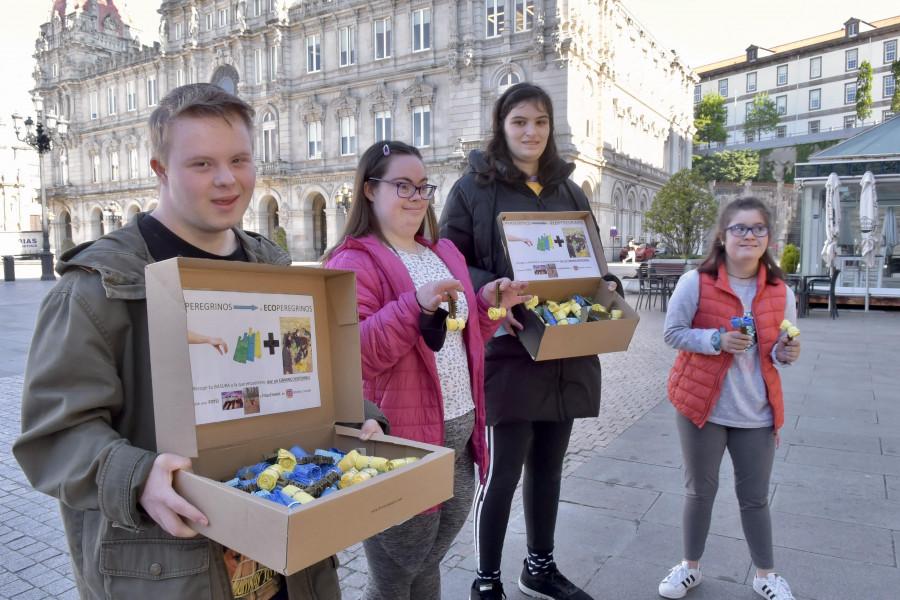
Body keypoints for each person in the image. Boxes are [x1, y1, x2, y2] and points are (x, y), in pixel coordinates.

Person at [13, 83, 386, 600]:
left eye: (239, 159)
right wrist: (138, 476)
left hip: (287, 560)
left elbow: (305, 378)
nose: (227, 180)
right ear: (160, 171)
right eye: (201, 164)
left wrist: (355, 414)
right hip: (170, 567)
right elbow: (53, 436)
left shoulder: (276, 272)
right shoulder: (96, 289)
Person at [322, 140, 529, 600]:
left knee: (428, 563)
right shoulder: (354, 260)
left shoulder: (444, 253)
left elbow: (460, 335)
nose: (417, 197)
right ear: (370, 190)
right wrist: (413, 304)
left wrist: (489, 306)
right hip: (401, 443)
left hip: (458, 435)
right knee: (396, 575)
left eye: (423, 187)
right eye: (403, 186)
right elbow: (353, 352)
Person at [440, 82, 622, 600]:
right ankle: (486, 581)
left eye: (540, 122)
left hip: (567, 348)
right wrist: (489, 286)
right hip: (510, 349)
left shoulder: (569, 188)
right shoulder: (473, 188)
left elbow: (591, 263)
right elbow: (451, 259)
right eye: (520, 121)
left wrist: (608, 285)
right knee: (501, 474)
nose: (531, 132)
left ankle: (539, 568)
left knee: (549, 468)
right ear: (501, 125)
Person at [658, 197, 801, 600]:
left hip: (757, 410)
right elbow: (672, 333)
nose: (749, 236)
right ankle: (689, 568)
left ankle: (766, 575)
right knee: (699, 491)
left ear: (768, 238)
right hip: (702, 406)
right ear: (722, 237)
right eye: (739, 228)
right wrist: (715, 340)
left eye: (758, 228)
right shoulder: (695, 282)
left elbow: (776, 350)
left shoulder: (779, 291)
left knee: (754, 498)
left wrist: (785, 354)